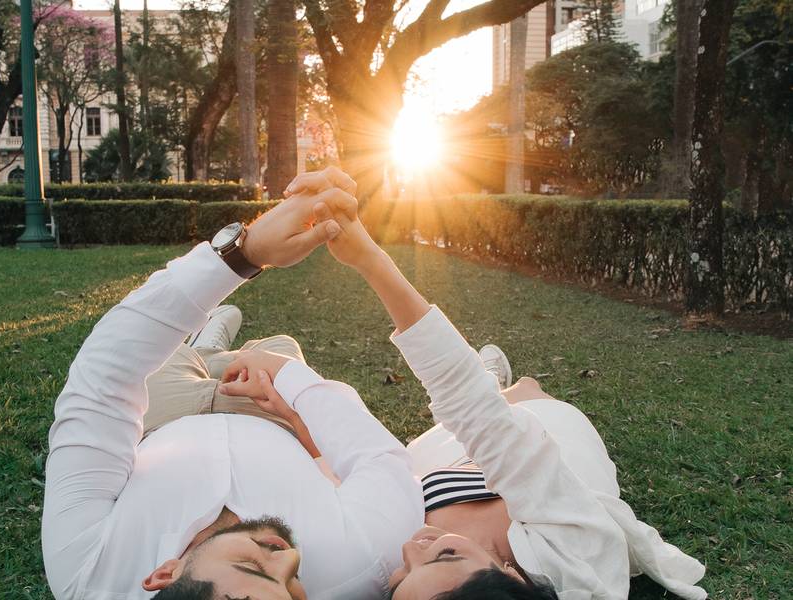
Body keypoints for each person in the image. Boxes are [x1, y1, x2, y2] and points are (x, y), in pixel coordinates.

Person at [293, 181, 709, 600]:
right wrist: (368, 258)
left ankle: (492, 382)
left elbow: (347, 478)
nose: (409, 548)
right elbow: (467, 399)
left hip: (442, 464)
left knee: (418, 444)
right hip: (554, 440)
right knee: (517, 396)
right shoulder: (577, 557)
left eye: (399, 579)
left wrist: (297, 417)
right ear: (510, 576)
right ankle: (499, 382)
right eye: (444, 556)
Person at [41, 168, 424, 600]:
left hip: (159, 417)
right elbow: (381, 458)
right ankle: (227, 342)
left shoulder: (87, 576)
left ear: (165, 574)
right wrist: (286, 378)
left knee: (175, 357)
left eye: (253, 566)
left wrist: (246, 252)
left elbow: (106, 373)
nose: (289, 560)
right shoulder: (360, 569)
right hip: (276, 415)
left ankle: (207, 341)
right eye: (294, 590)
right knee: (280, 344)